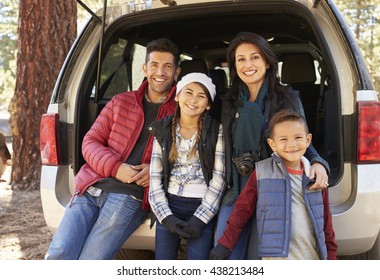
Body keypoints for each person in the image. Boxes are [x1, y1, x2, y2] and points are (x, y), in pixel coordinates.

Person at [45, 38, 181, 260]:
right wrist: (116, 168)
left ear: (177, 72)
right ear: (145, 68)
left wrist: (158, 171)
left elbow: (190, 156)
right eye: (155, 64)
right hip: (91, 187)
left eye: (168, 66)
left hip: (130, 196)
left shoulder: (182, 111)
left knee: (91, 260)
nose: (160, 72)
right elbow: (89, 142)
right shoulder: (121, 102)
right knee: (58, 254)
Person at [215, 32, 330, 259]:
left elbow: (300, 138)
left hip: (276, 186)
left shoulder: (286, 97)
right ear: (234, 66)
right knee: (223, 253)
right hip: (237, 188)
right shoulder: (228, 101)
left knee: (264, 256)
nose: (248, 65)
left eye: (254, 57)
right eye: (241, 59)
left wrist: (317, 162)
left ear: (267, 62)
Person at [210, 109, 337, 260]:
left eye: (298, 137)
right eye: (283, 139)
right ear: (272, 144)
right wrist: (225, 244)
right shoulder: (262, 172)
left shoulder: (316, 177)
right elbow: (241, 212)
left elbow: (327, 224)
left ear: (308, 140)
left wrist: (331, 258)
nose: (292, 144)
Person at [148, 72, 226, 260]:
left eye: (201, 96)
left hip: (202, 205)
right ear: (177, 96)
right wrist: (166, 218)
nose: (193, 100)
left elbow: (219, 178)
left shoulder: (216, 130)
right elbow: (154, 178)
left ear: (208, 104)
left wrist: (201, 219)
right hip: (169, 205)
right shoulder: (163, 129)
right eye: (188, 92)